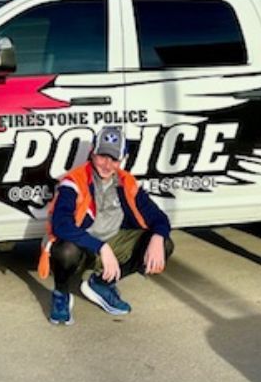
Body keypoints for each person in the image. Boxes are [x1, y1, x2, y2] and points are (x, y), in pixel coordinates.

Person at [38, 124, 171, 325]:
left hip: (113, 242)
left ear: (123, 159)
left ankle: (101, 284)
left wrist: (158, 237)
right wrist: (100, 247)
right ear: (92, 153)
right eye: (102, 156)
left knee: (165, 244)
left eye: (114, 159)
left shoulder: (127, 182)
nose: (107, 165)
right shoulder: (73, 181)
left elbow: (159, 217)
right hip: (82, 246)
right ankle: (61, 295)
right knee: (65, 251)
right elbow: (61, 225)